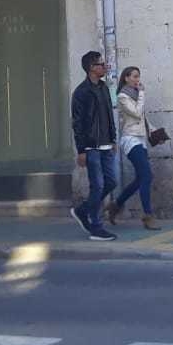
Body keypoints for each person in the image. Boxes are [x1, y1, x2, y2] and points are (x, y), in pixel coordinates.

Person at [70, 50, 119, 242]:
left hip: (106, 145)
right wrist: (81, 150)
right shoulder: (81, 92)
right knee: (97, 186)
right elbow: (77, 123)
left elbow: (108, 115)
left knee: (111, 182)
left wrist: (113, 139)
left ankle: (82, 211)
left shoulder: (104, 88)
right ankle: (96, 227)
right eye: (101, 63)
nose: (105, 66)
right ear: (92, 68)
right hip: (91, 147)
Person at [109, 66, 161, 230]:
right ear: (126, 78)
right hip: (130, 140)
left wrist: (153, 132)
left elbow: (142, 118)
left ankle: (115, 205)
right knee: (147, 175)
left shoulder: (136, 95)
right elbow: (137, 113)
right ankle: (147, 215)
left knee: (141, 178)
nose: (138, 80)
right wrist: (143, 94)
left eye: (139, 77)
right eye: (134, 77)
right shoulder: (123, 97)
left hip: (141, 139)